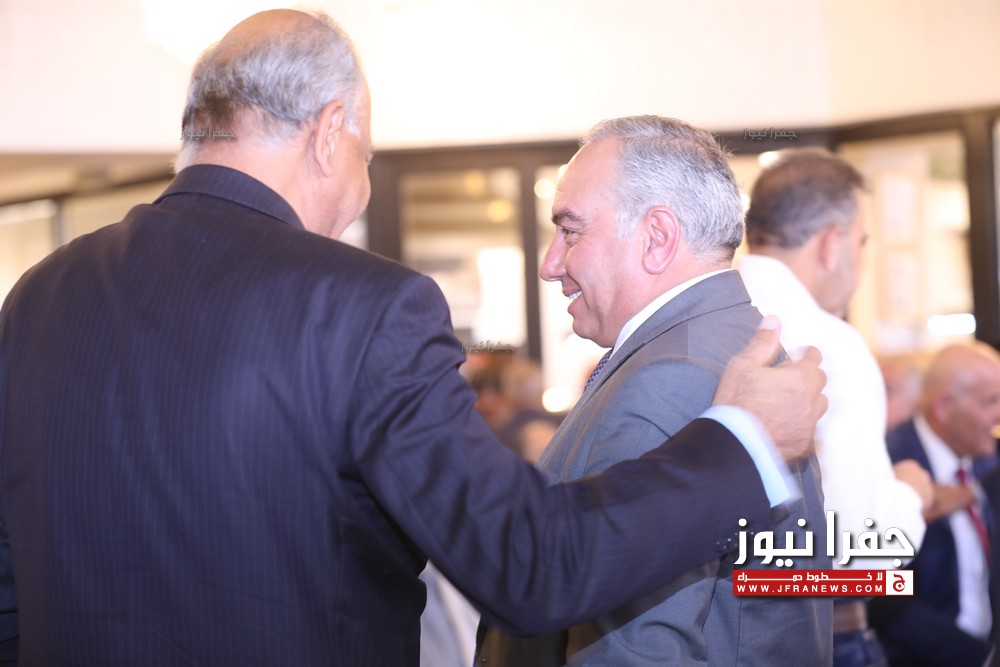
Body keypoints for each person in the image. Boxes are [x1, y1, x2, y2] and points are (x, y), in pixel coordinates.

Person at [0, 10, 827, 666]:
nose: (360, 190)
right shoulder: (360, 307)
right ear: (329, 132)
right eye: (366, 156)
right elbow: (528, 564)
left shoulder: (38, 295)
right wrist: (739, 441)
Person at [478, 116, 830, 666]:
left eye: (570, 231)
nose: (550, 265)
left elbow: (635, 652)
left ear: (657, 238)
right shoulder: (719, 344)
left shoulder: (670, 378)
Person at [738, 148, 934, 667]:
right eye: (862, 242)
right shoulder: (830, 343)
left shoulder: (709, 322)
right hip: (816, 635)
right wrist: (912, 495)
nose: (860, 262)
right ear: (832, 243)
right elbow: (864, 557)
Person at [869, 343, 1000, 666]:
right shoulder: (885, 466)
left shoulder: (986, 460)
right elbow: (881, 595)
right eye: (990, 401)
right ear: (943, 405)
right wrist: (979, 658)